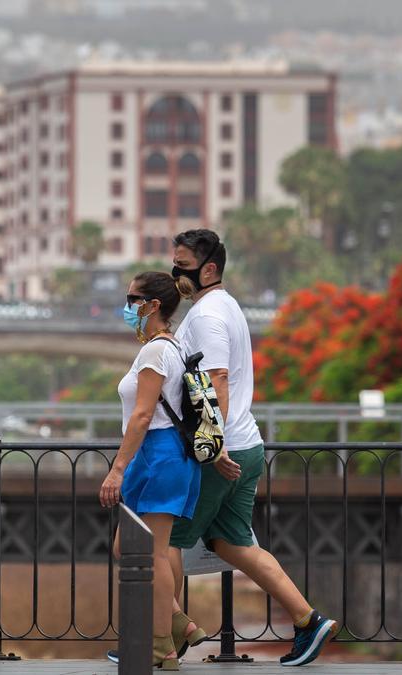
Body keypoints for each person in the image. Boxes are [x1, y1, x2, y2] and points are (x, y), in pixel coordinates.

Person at [168, 229, 339, 667]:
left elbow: (217, 380)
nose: (175, 271)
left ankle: (161, 642)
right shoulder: (225, 307)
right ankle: (306, 620)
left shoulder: (206, 316)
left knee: (164, 540)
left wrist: (213, 443)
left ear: (208, 269)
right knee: (231, 542)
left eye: (182, 262)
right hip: (247, 444)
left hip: (222, 450)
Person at [99, 271, 202, 671]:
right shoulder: (171, 347)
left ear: (153, 305)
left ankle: (161, 646)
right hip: (165, 455)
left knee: (154, 554)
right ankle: (180, 623)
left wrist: (116, 469)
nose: (127, 307)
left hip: (157, 454)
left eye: (132, 299)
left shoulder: (156, 352)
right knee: (127, 548)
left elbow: (142, 415)